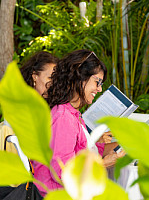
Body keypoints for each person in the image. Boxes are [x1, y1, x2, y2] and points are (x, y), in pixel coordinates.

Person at [32, 49, 125, 196]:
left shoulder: (71, 112)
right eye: (97, 82)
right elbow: (64, 173)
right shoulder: (63, 116)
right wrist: (104, 163)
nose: (99, 89)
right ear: (79, 78)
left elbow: (85, 151)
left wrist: (124, 146)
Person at [0, 51, 59, 195]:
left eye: (56, 79)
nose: (53, 84)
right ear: (35, 76)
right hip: (27, 182)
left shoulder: (45, 105)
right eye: (50, 77)